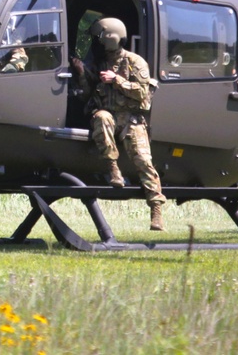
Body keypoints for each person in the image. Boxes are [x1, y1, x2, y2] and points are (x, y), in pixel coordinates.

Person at [71, 17, 167, 231]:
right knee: (101, 117)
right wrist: (82, 75)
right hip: (110, 116)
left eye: (99, 39)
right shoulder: (99, 64)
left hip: (131, 119)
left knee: (143, 160)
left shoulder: (135, 62)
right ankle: (113, 169)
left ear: (109, 39)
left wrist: (117, 80)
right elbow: (87, 95)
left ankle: (156, 210)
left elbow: (143, 94)